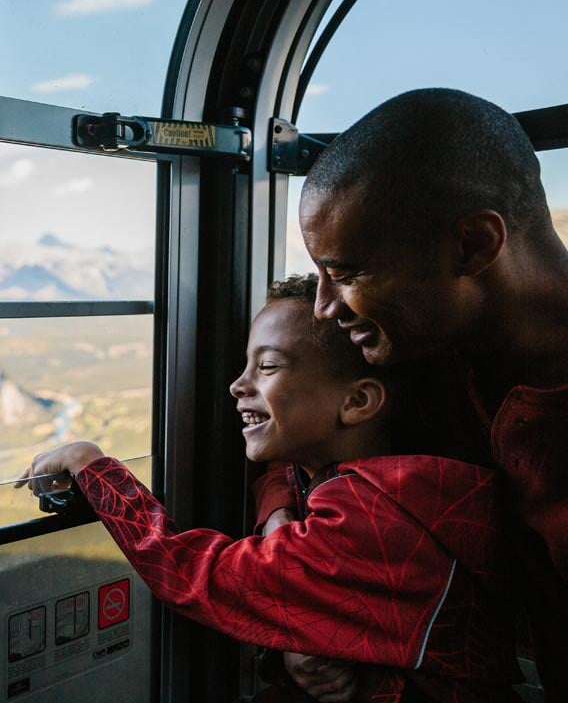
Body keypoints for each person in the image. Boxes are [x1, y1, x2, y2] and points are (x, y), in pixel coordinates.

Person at [17, 275, 521, 703]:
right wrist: (279, 518)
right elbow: (284, 471)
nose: (238, 385)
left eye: (269, 366)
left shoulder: (365, 520)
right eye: (245, 364)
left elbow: (193, 573)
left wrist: (95, 468)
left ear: (358, 402)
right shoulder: (397, 480)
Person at [280, 88, 568, 699]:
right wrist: (287, 542)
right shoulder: (417, 352)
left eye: (349, 273)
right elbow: (298, 433)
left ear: (472, 246)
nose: (325, 307)